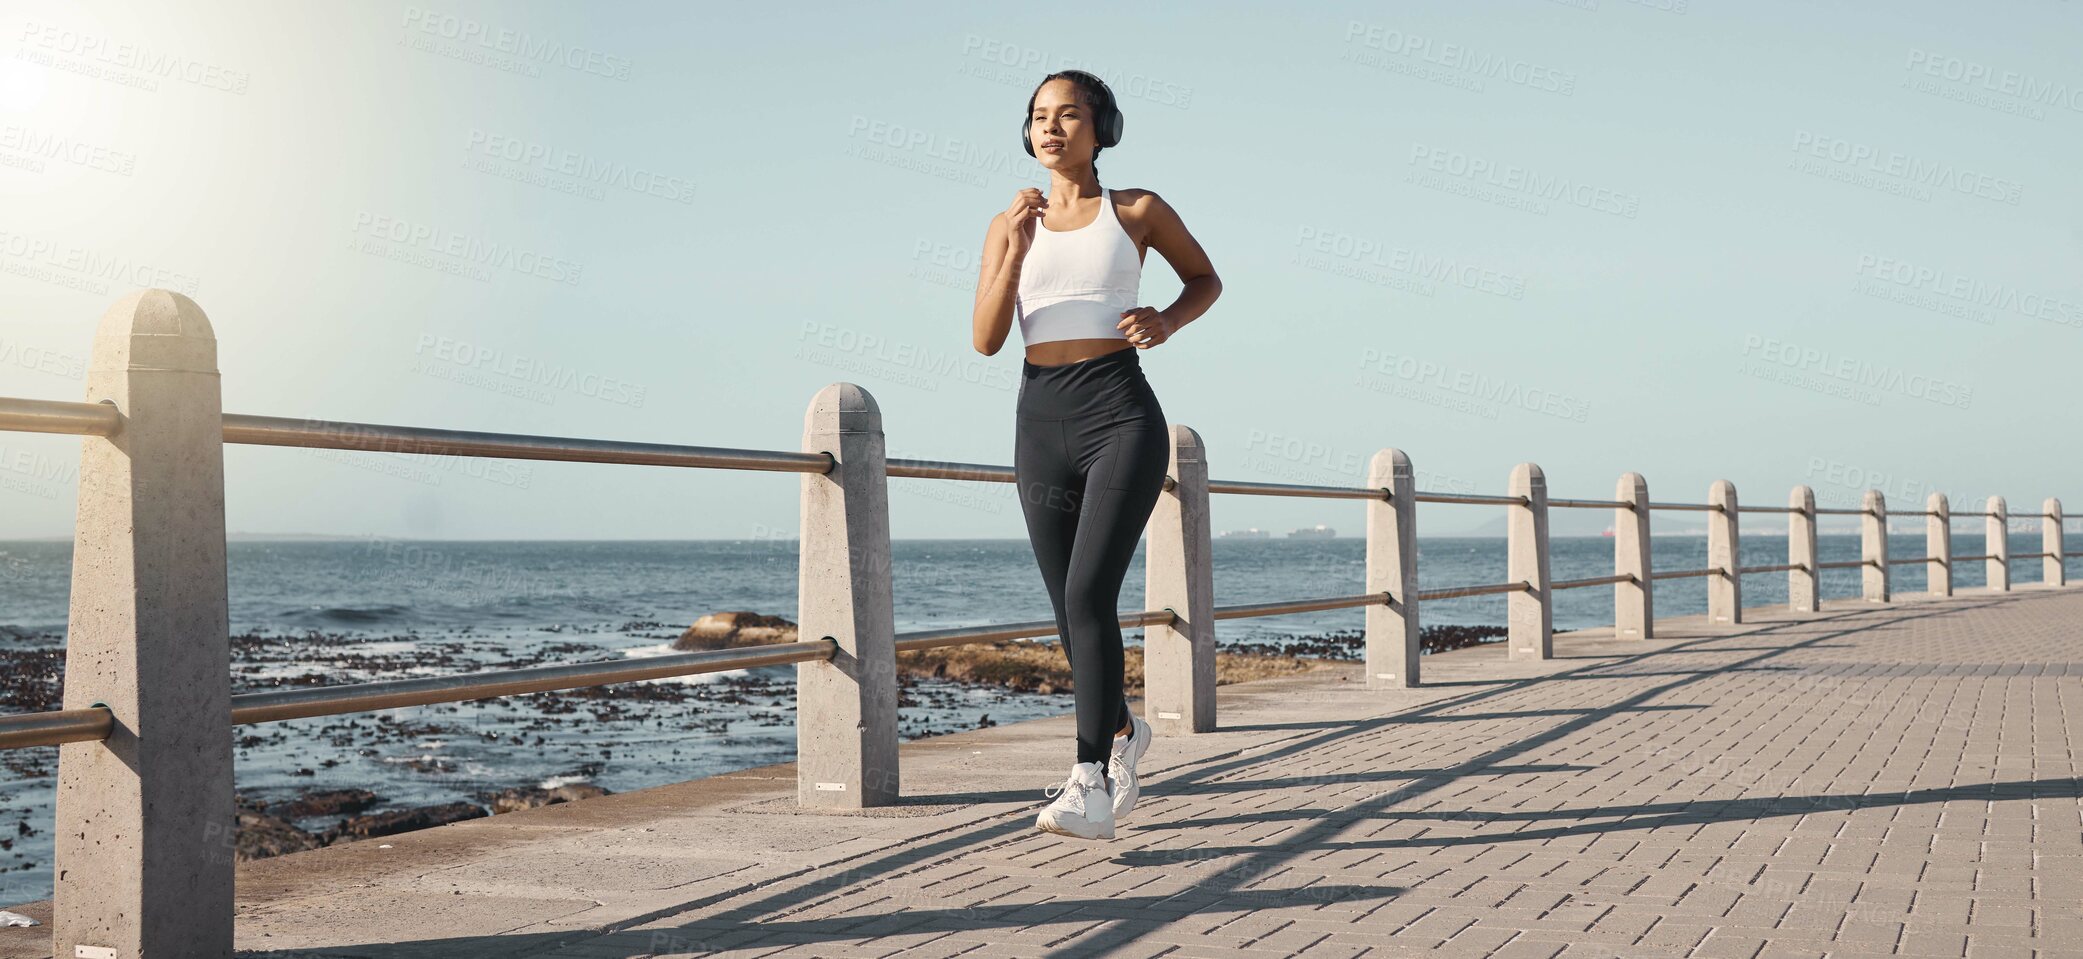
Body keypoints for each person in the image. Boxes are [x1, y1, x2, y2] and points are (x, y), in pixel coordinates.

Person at [970, 69, 1222, 839]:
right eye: (1038, 116)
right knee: (1067, 607)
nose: (1050, 127)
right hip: (1038, 420)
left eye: (1068, 114)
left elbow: (1204, 279)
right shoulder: (1008, 223)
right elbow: (984, 338)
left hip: (1119, 415)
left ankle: (1089, 784)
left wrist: (1167, 320)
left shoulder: (1136, 211)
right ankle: (1122, 732)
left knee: (1087, 595)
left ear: (1101, 127)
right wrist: (1015, 248)